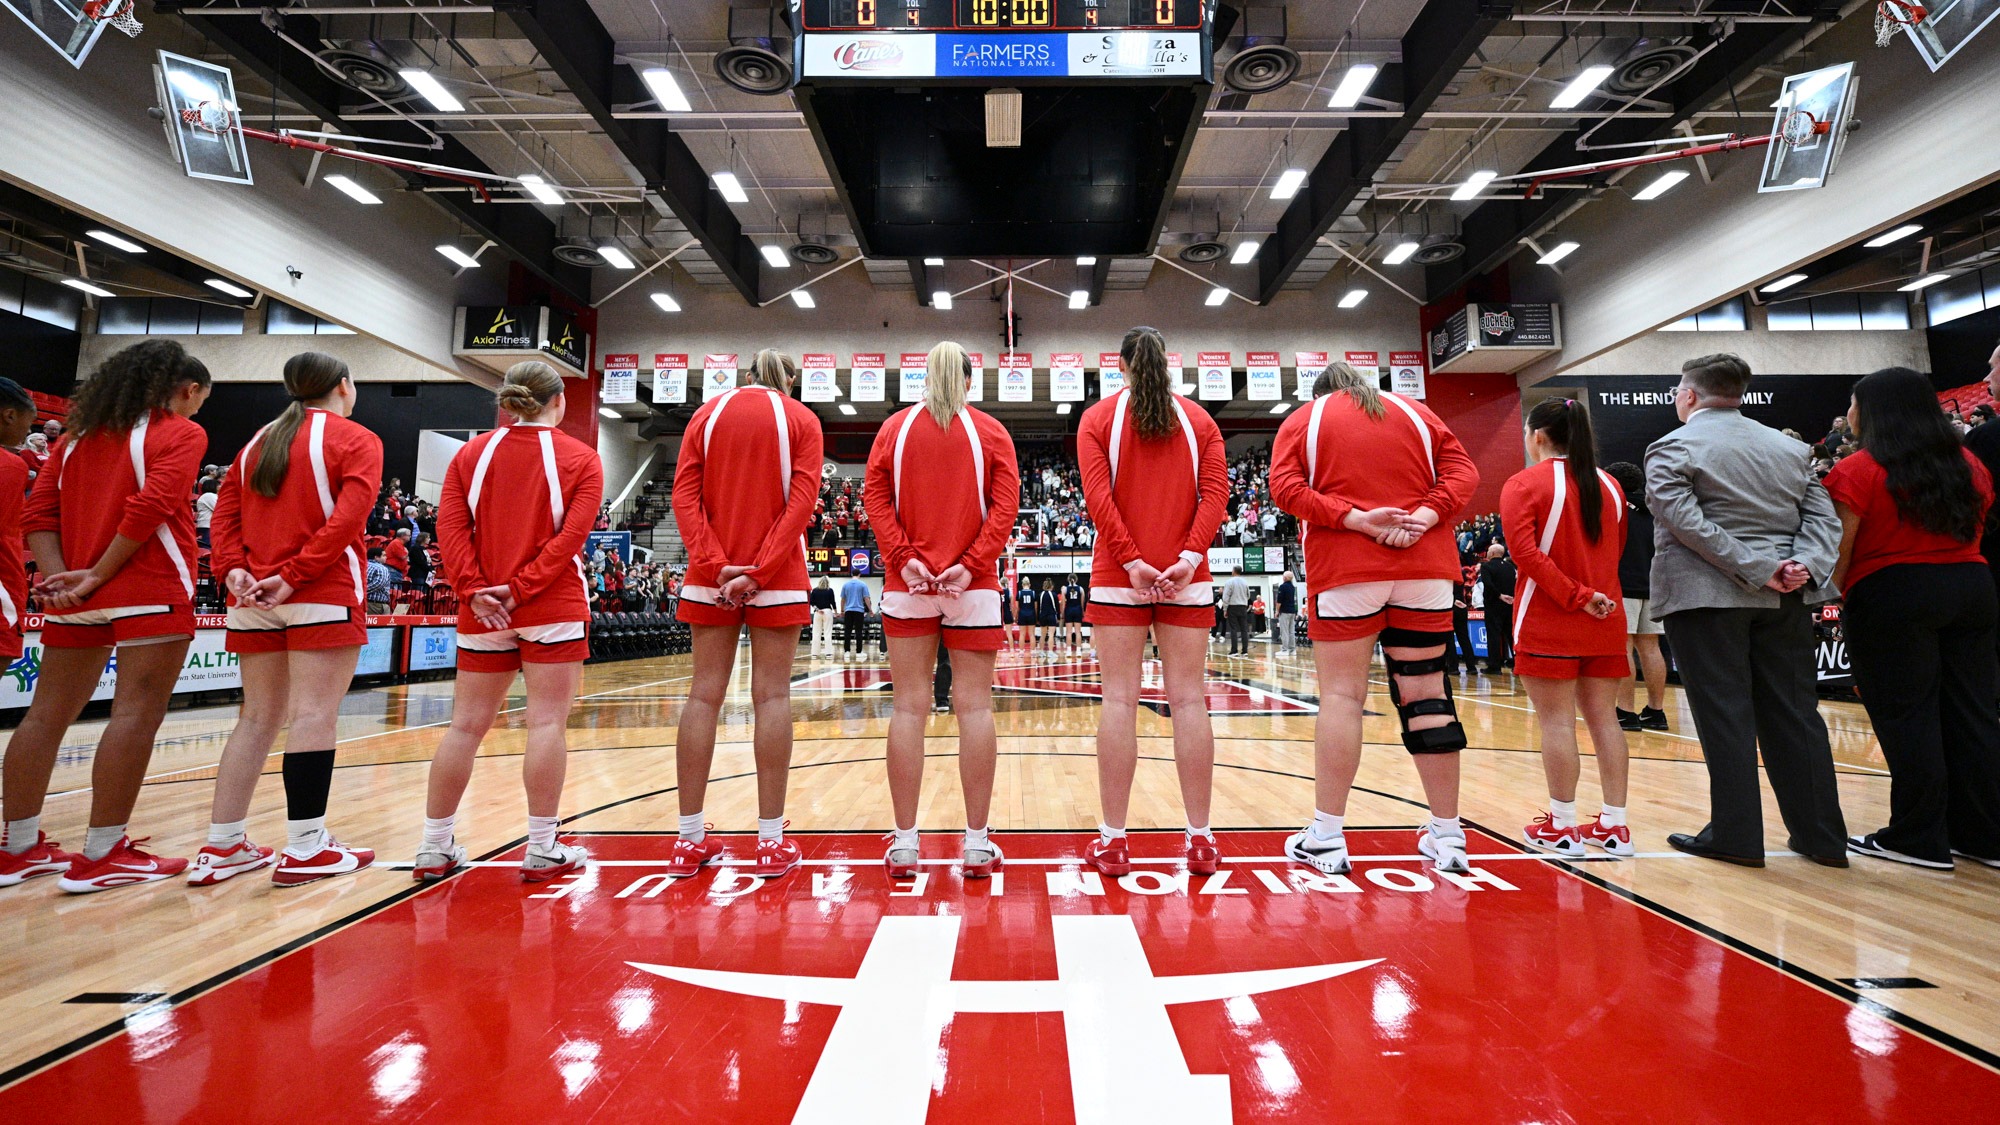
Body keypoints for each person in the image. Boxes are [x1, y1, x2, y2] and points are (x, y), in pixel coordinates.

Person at [0, 342, 210, 892]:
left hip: (74, 593)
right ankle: (102, 853)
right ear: (186, 389)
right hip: (149, 585)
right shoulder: (182, 432)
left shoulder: (74, 437)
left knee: (44, 716)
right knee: (135, 715)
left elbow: (37, 513)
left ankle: (17, 848)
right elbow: (151, 509)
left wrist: (58, 577)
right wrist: (95, 574)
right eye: (198, 400)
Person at [1269, 359, 1479, 875]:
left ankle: (1327, 837)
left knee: (1342, 697)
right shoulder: (1416, 411)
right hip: (1425, 566)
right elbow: (1465, 473)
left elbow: (1286, 491)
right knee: (1428, 694)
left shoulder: (1307, 419)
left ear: (1319, 393)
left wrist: (1357, 519)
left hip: (1345, 569)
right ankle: (1449, 838)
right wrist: (1424, 517)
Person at [1647, 353, 1847, 868]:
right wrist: (1801, 564)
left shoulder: (1672, 447)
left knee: (1725, 717)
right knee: (1796, 715)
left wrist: (1758, 568)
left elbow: (1687, 524)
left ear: (1689, 395)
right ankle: (1822, 836)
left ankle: (1736, 835)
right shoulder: (1790, 447)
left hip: (1708, 597)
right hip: (1786, 597)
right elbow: (1824, 520)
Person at [193, 352, 380, 887]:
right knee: (313, 715)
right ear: (343, 386)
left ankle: (223, 844)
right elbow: (348, 520)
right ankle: (305, 847)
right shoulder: (355, 438)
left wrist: (230, 571)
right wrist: (296, 575)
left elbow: (224, 515)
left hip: (252, 595)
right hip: (319, 591)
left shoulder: (258, 441)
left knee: (255, 719)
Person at [415, 361, 601, 884]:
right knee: (546, 724)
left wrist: (475, 591)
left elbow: (449, 533)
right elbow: (571, 541)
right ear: (559, 401)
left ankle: (433, 845)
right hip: (552, 606)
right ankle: (542, 848)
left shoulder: (468, 455)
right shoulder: (581, 458)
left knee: (464, 727)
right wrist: (519, 590)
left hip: (482, 610)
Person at [1825, 368, 2000, 868]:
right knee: (1974, 713)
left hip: (1893, 593)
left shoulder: (1857, 470)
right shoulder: (1969, 463)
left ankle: (1917, 837)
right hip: (1973, 588)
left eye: (1854, 403)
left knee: (1908, 715)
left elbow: (1841, 550)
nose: (1850, 414)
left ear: (1875, 410)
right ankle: (1984, 836)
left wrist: (1829, 598)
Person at [862, 340, 1019, 877]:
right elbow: (1006, 508)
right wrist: (970, 563)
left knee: (909, 708)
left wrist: (906, 561)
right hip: (972, 588)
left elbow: (874, 499)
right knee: (975, 708)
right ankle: (976, 843)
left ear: (923, 378)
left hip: (907, 587)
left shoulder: (894, 430)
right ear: (971, 382)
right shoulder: (992, 433)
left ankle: (905, 843)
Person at [1077, 325, 1229, 876]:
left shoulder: (1097, 420)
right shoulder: (1201, 421)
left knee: (1118, 702)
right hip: (1188, 578)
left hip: (1120, 575)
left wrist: (1133, 561)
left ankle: (1114, 841)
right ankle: (1201, 841)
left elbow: (1099, 500)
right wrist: (1187, 559)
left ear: (1118, 365)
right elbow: (1216, 496)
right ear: (1169, 362)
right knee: (1190, 702)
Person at [668, 350, 822, 880]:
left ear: (747, 376)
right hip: (776, 576)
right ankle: (770, 842)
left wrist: (716, 566)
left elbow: (683, 499)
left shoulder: (704, 415)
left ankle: (688, 841)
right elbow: (801, 504)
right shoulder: (802, 419)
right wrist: (758, 571)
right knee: (772, 696)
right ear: (791, 379)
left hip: (708, 578)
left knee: (703, 695)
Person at [1503, 399, 1634, 858]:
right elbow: (1613, 553)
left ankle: (1562, 825)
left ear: (1537, 435)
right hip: (1605, 617)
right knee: (1606, 720)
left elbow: (1525, 555)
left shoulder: (1524, 483)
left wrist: (1577, 596)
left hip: (1550, 618)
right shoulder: (1611, 485)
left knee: (1556, 721)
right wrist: (1592, 597)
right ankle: (1616, 826)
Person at [1603, 462, 1668, 731]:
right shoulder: (1656, 510)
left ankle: (1625, 712)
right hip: (1653, 587)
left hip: (1622, 586)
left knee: (1623, 648)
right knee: (1651, 649)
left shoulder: (1611, 509)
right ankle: (1656, 711)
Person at [1477, 544, 1516, 673]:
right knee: (1511, 635)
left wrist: (1499, 595)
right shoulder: (1510, 567)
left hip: (1493, 604)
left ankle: (1495, 666)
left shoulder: (1486, 566)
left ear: (1492, 553)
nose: (1487, 552)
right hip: (1510, 604)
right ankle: (1517, 663)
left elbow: (1487, 584)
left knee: (1493, 635)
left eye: (1488, 551)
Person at [840, 572, 871, 660]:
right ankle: (858, 652)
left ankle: (847, 652)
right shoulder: (863, 584)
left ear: (851, 574)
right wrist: (870, 609)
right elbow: (866, 598)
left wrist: (842, 610)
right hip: (859, 611)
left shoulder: (845, 585)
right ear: (859, 575)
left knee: (847, 631)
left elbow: (843, 599)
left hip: (848, 610)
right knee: (858, 632)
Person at [1221, 566, 1251, 656]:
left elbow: (1226, 597)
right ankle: (1245, 651)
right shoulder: (1245, 582)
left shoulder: (1229, 582)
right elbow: (1248, 595)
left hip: (1233, 607)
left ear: (1233, 571)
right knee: (1244, 629)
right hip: (1243, 607)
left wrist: (1225, 609)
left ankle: (1234, 651)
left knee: (1233, 629)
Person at [809, 576, 837, 658]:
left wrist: (817, 610)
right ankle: (828, 653)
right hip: (827, 611)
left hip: (818, 613)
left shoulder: (814, 590)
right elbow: (833, 602)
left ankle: (814, 653)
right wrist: (835, 612)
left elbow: (811, 603)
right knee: (827, 633)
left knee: (816, 633)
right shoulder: (830, 590)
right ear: (827, 582)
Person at [1273, 570, 1298, 658]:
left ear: (1285, 578)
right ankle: (1292, 649)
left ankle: (1284, 650)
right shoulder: (1292, 587)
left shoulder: (1282, 587)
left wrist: (1276, 611)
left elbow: (1279, 601)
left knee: (1284, 631)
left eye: (1283, 576)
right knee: (1291, 631)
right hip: (1292, 611)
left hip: (1285, 611)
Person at [364, 546, 395, 615]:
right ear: (376, 557)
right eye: (384, 555)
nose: (386, 557)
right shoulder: (381, 568)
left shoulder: (362, 565)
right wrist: (364, 591)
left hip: (364, 602)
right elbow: (378, 584)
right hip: (376, 605)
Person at [1061, 572, 1086, 656]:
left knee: (1068, 632)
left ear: (1068, 579)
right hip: (1077, 610)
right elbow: (1082, 603)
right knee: (1078, 632)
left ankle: (1068, 652)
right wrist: (1082, 612)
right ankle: (1078, 651)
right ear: (1076, 579)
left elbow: (1063, 604)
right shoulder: (1081, 589)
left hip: (1069, 610)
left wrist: (1062, 613)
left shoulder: (1064, 589)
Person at [194, 478, 218, 549]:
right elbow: (218, 507)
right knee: (207, 548)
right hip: (207, 526)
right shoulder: (209, 495)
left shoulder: (207, 496)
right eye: (218, 485)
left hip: (205, 525)